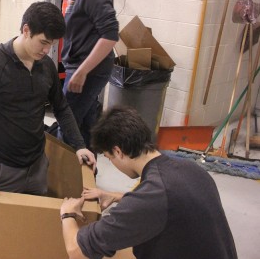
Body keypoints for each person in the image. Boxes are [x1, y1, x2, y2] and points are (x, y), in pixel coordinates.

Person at [0, 1, 97, 207]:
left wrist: (79, 145)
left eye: (52, 45)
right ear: (26, 30)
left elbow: (61, 107)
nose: (47, 50)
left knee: (32, 223)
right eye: (43, 42)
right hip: (1, 168)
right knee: (2, 227)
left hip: (37, 164)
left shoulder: (46, 66)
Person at [60, 107, 238, 259]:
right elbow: (170, 203)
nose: (112, 164)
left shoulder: (154, 195)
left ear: (118, 151)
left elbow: (77, 251)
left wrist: (67, 214)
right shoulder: (190, 170)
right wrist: (115, 196)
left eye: (109, 157)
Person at [52, 0, 119, 149]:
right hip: (77, 64)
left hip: (88, 69)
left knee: (67, 123)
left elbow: (110, 35)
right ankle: (88, 175)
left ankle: (66, 177)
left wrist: (82, 72)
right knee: (85, 124)